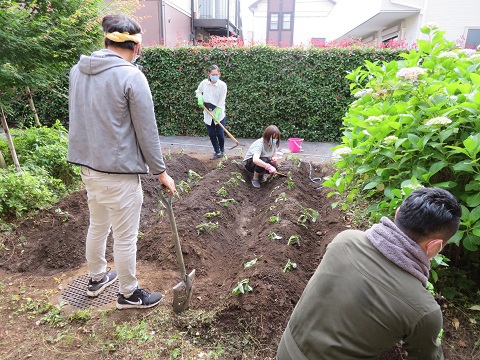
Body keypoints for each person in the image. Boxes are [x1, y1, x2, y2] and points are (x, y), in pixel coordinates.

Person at [67, 15, 176, 310]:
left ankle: (96, 277)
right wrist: (161, 172)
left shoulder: (78, 71)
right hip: (119, 173)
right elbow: (147, 130)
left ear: (104, 41)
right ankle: (129, 294)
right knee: (126, 238)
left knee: (98, 226)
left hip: (88, 168)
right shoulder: (131, 76)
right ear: (136, 48)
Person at [277, 187, 462, 360]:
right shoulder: (424, 310)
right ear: (435, 246)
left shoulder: (345, 238)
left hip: (286, 350)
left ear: (398, 213)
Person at [195, 65, 228, 160]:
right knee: (212, 134)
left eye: (216, 74)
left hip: (219, 113)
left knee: (220, 133)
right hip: (207, 113)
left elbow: (221, 101)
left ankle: (222, 150)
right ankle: (217, 152)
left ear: (219, 74)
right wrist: (200, 98)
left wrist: (217, 113)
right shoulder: (204, 83)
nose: (215, 76)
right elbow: (198, 91)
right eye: (213, 74)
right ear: (209, 74)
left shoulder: (222, 85)